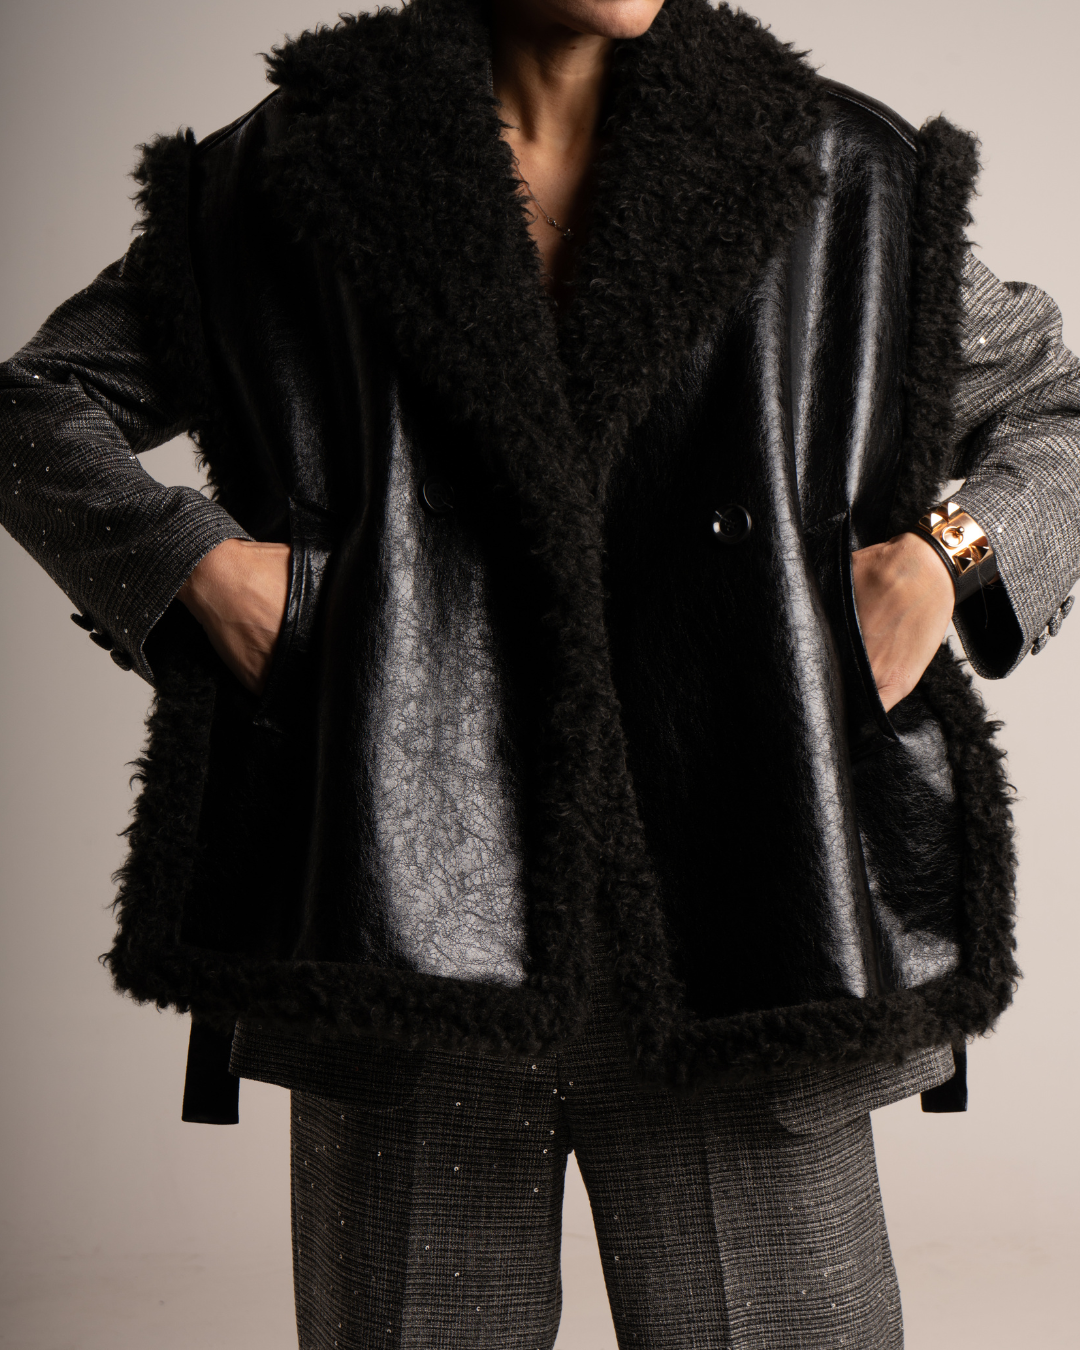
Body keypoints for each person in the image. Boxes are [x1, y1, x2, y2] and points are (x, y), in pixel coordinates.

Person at [2, 0, 1079, 1344]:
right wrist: (198, 566)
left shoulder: (836, 171)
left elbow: (1060, 411)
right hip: (407, 922)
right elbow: (34, 402)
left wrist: (942, 560)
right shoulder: (294, 173)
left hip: (746, 926)